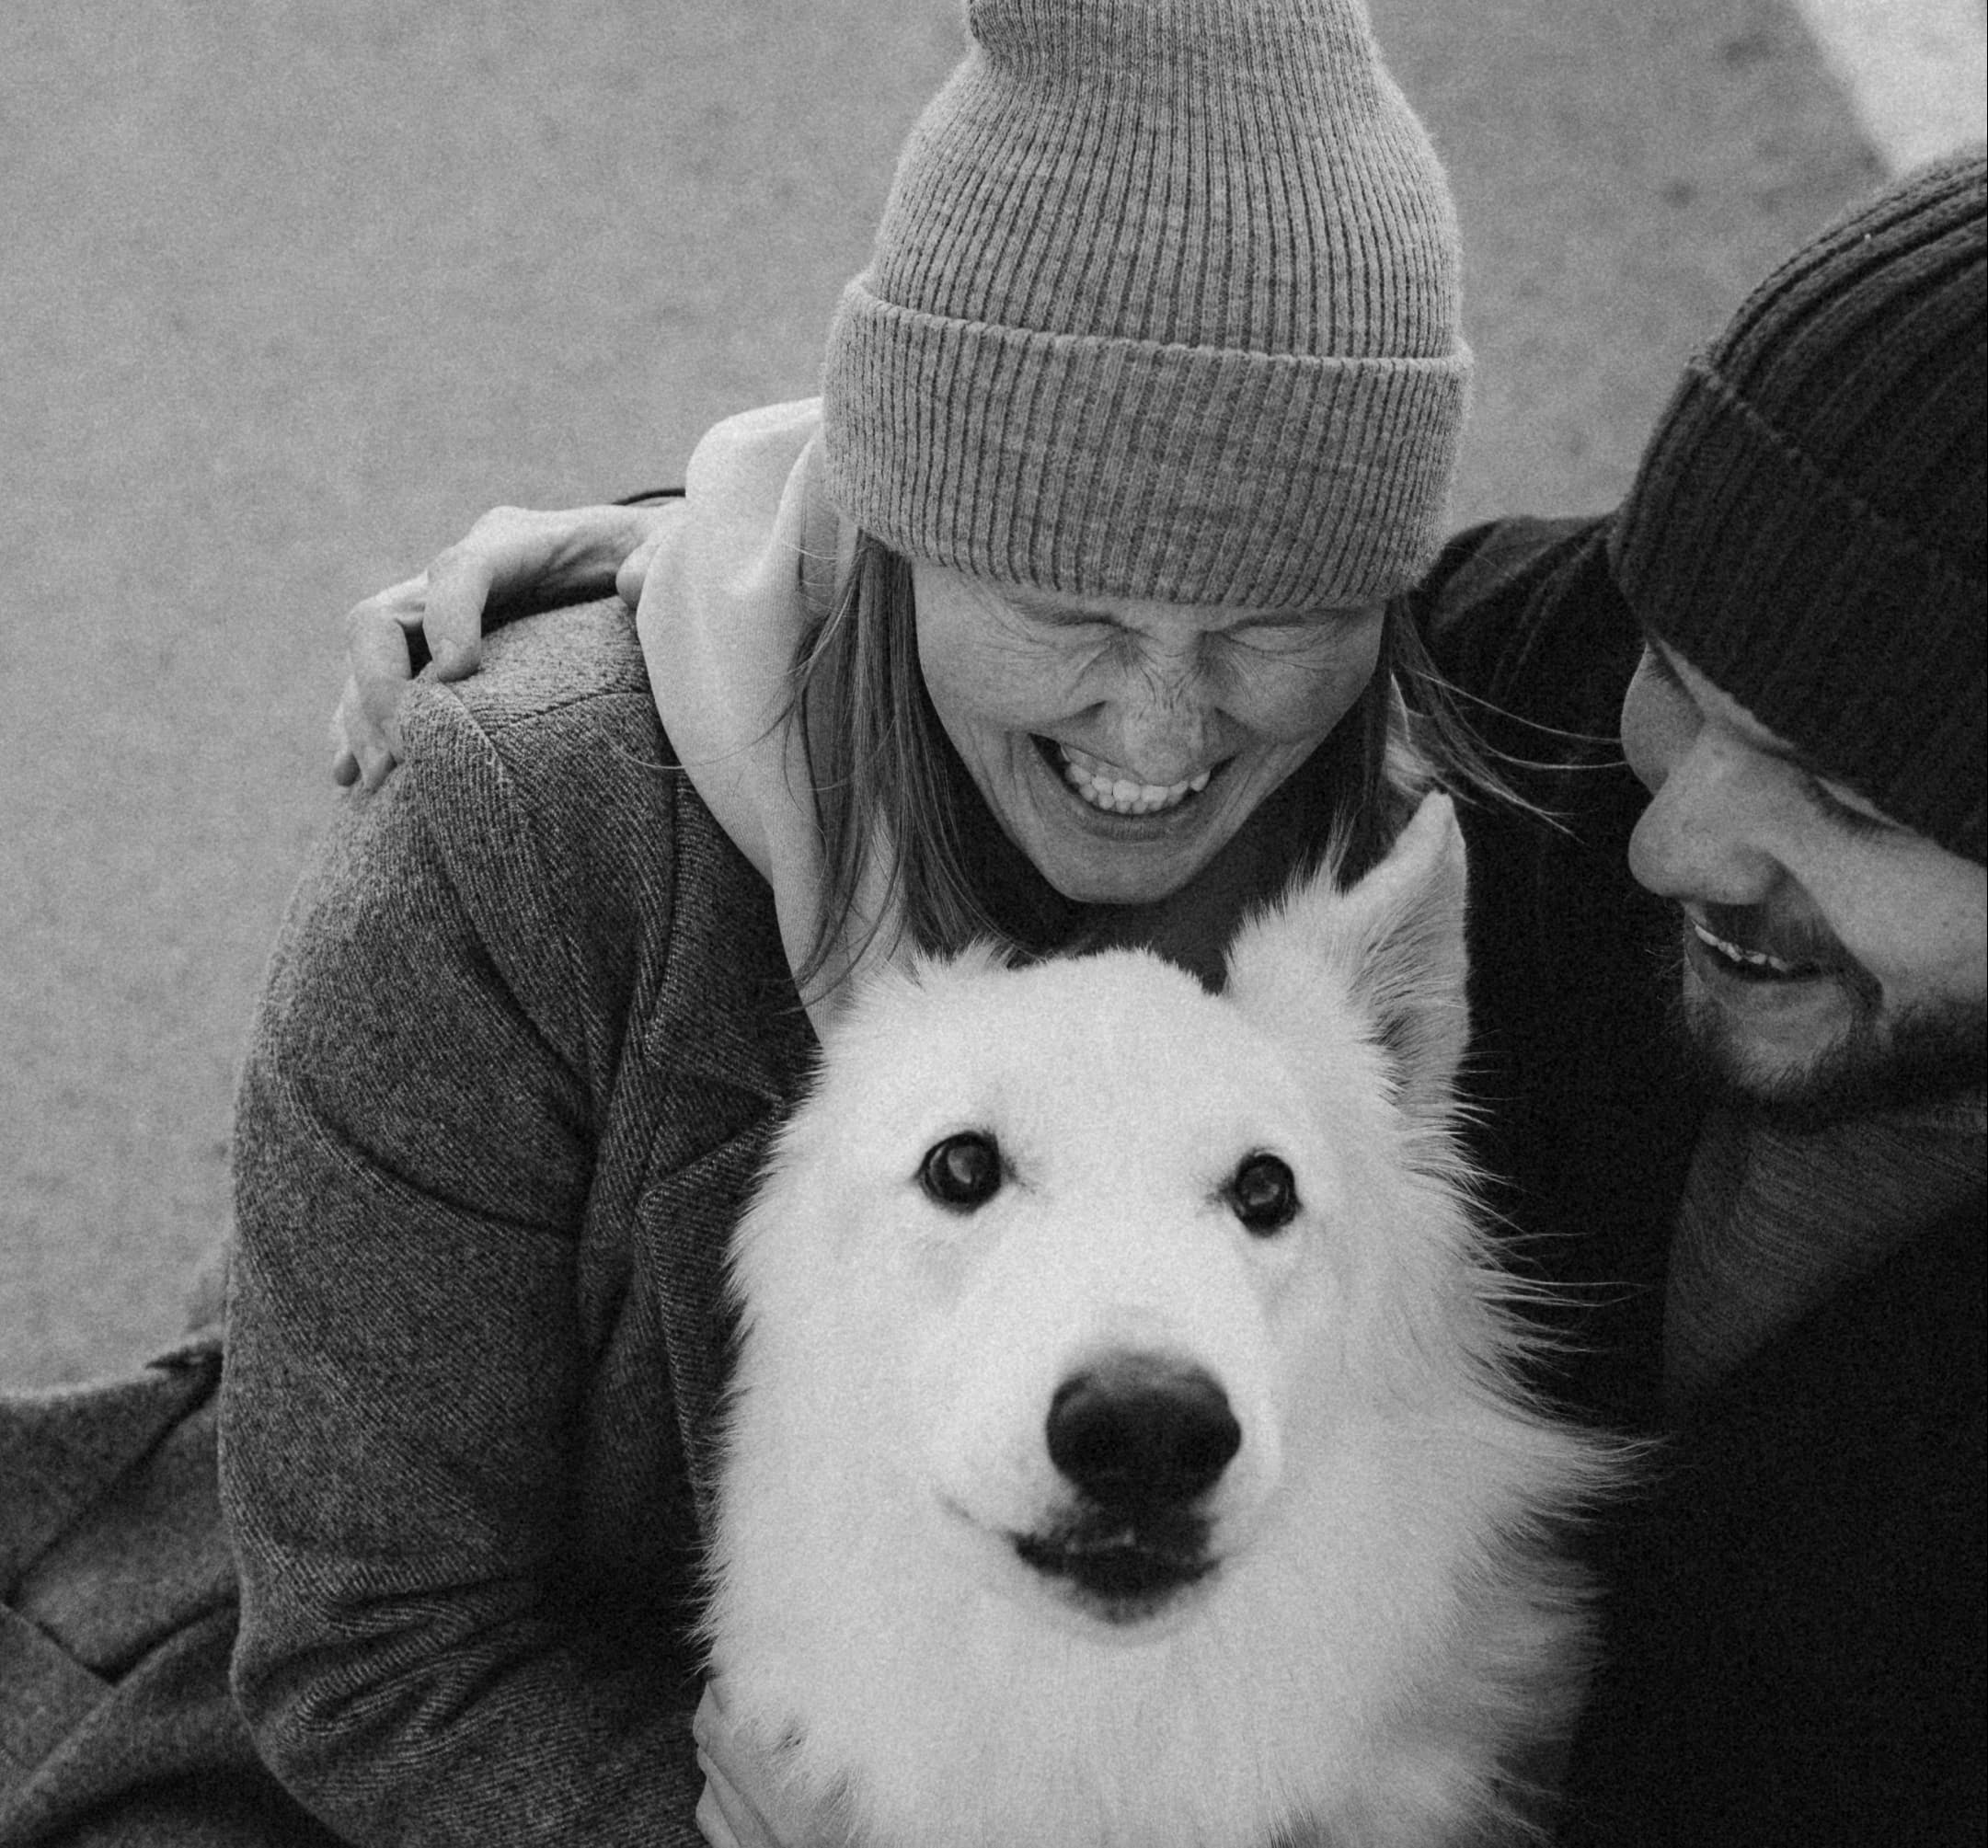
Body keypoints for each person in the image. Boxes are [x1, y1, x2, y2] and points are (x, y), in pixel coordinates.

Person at [339, 151, 1987, 1845]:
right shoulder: (1544, 706)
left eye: (1844, 803)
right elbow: (1184, 503)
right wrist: (749, 571)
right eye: (1682, 683)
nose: (1663, 839)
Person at [0, 5, 1504, 1847]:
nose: (1163, 730)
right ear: (890, 524)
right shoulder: (529, 844)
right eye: (1068, 609)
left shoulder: (1414, 859)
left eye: (1271, 622)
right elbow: (370, 1645)